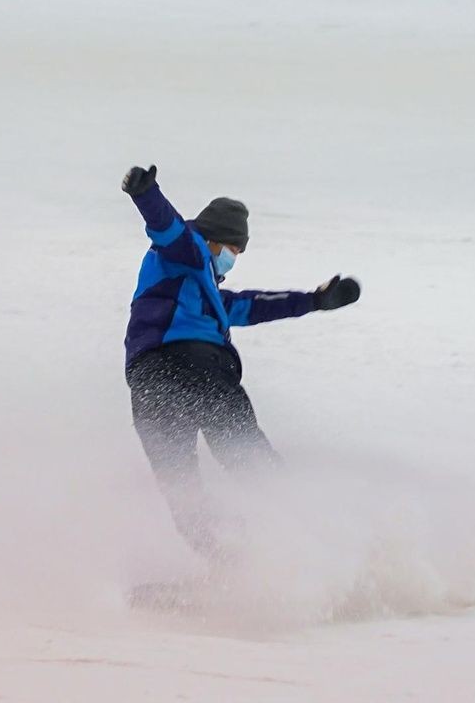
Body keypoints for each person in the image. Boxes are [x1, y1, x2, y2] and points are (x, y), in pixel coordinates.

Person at [121, 163, 361, 560]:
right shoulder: (191, 251)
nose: (235, 258)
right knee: (247, 457)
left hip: (149, 380)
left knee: (180, 485)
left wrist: (314, 300)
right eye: (234, 249)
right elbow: (167, 226)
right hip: (196, 366)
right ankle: (306, 549)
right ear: (215, 241)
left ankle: (236, 562)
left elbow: (252, 306)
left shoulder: (200, 292)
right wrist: (146, 193)